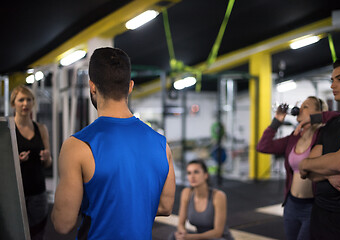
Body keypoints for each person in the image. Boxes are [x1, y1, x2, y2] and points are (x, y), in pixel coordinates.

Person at [51, 47, 176, 239]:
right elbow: (166, 207)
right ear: (130, 86)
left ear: (92, 86)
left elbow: (63, 223)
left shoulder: (77, 146)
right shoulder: (161, 144)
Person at [256, 96, 340, 240]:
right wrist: (277, 120)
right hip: (291, 205)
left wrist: (317, 118)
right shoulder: (293, 138)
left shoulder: (323, 136)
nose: (300, 109)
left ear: (318, 112)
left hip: (312, 207)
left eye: (306, 106)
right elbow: (263, 146)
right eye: (301, 106)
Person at [299, 56, 340, 239]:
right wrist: (326, 172)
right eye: (332, 80)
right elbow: (307, 172)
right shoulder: (333, 123)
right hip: (321, 216)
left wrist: (309, 164)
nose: (333, 85)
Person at [10, 85, 52, 240]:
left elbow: (48, 163)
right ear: (13, 103)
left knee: (37, 235)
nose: (25, 104)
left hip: (38, 193)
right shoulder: (8, 130)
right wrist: (16, 161)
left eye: (29, 100)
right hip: (15, 194)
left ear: (33, 103)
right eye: (21, 100)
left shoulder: (41, 129)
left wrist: (47, 157)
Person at [169, 159, 233, 240]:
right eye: (189, 173)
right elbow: (181, 224)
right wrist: (182, 234)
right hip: (199, 236)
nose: (192, 176)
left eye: (196, 172)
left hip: (218, 238)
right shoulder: (186, 193)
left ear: (206, 175)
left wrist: (191, 237)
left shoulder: (218, 196)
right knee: (173, 236)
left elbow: (218, 233)